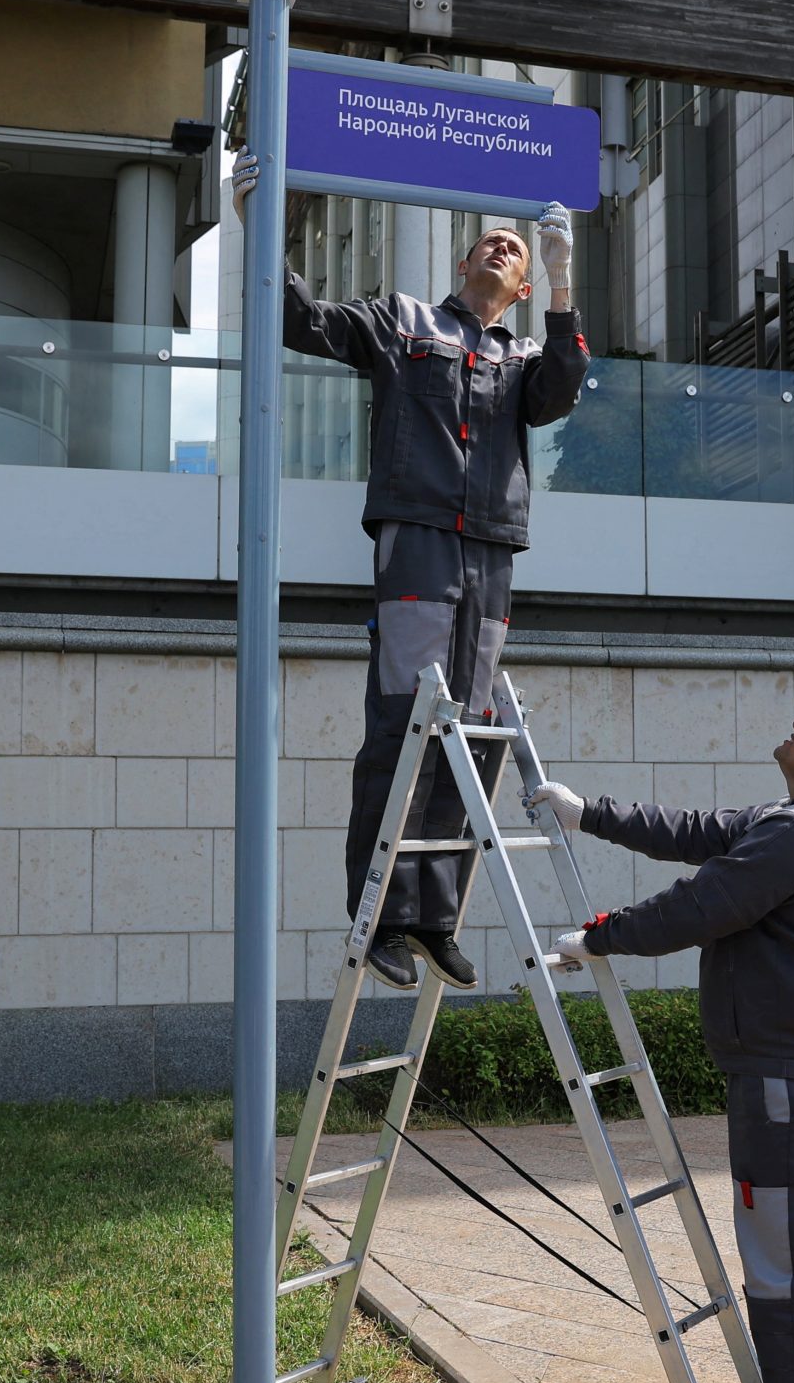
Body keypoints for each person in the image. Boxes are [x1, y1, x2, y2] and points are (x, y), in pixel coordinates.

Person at [525, 682, 794, 1383]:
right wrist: (590, 813)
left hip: (788, 1080)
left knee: (785, 1259)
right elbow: (700, 835)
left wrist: (599, 938)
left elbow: (705, 903)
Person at [233, 158, 586, 991]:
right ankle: (383, 917)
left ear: (527, 285)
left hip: (492, 549)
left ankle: (435, 919)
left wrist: (568, 274)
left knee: (473, 732)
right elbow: (301, 320)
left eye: (518, 248)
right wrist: (263, 223)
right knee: (406, 721)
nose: (502, 247)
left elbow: (561, 391)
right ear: (462, 265)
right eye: (488, 242)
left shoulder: (527, 350)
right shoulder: (405, 320)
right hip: (419, 542)